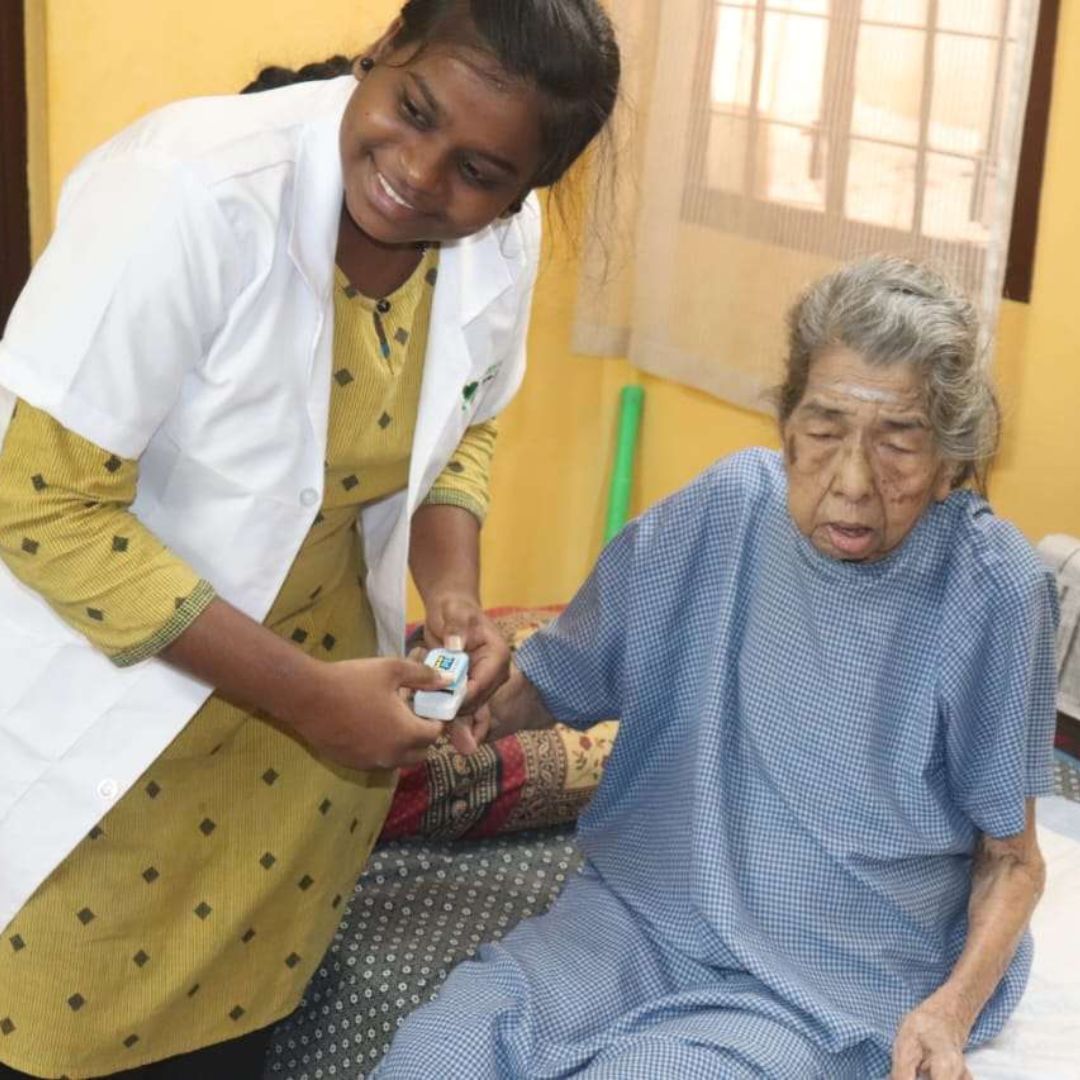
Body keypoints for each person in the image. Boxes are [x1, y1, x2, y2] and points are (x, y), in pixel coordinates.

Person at [0, 2, 619, 1077]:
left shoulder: (493, 248)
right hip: (104, 766)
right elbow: (40, 500)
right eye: (410, 109)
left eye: (478, 171)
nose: (421, 176)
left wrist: (458, 600)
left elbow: (465, 425)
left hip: (297, 806)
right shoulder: (192, 191)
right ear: (382, 54)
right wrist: (306, 696)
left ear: (527, 191)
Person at [376, 256, 1058, 1080]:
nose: (851, 481)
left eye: (898, 443)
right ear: (785, 421)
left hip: (824, 978)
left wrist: (947, 1016)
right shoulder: (729, 508)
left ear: (950, 457)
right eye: (825, 428)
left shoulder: (992, 588)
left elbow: (1014, 861)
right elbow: (552, 684)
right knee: (434, 1053)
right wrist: (470, 695)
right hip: (641, 915)